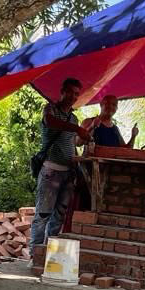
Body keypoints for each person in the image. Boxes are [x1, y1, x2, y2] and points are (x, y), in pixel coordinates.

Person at [31, 78, 91, 246]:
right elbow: (51, 122)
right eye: (70, 92)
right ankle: (35, 254)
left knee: (59, 216)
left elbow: (72, 143)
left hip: (68, 173)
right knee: (43, 215)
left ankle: (50, 254)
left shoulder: (74, 118)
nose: (73, 96)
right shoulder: (50, 109)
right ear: (62, 92)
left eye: (77, 94)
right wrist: (78, 129)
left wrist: (77, 162)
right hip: (51, 171)